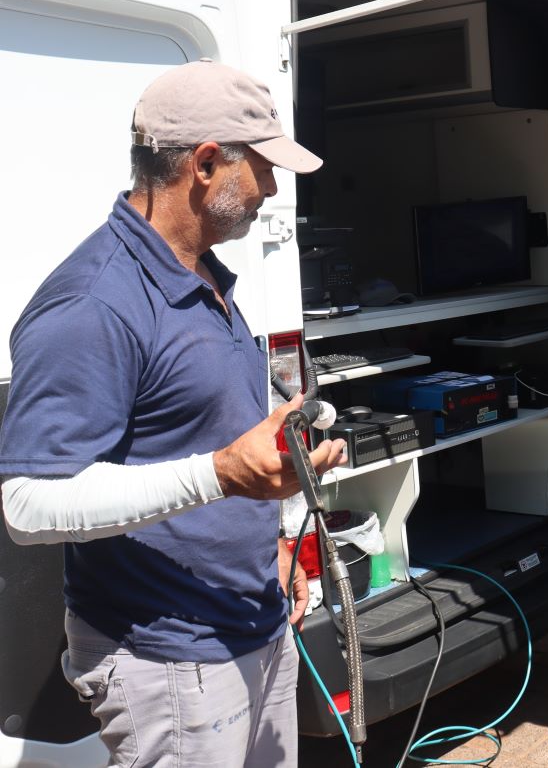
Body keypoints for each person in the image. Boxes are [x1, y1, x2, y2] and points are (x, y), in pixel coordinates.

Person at [0, 60, 348, 768]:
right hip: (169, 663)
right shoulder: (95, 302)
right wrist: (220, 475)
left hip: (253, 621)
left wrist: (272, 545)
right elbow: (27, 505)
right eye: (263, 170)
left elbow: (206, 434)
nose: (274, 189)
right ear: (206, 163)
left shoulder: (204, 275)